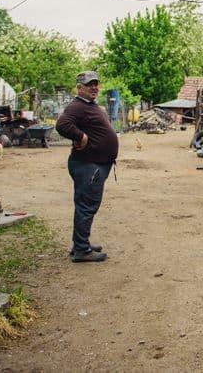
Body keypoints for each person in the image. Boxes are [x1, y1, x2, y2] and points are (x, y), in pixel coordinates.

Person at [56, 71, 119, 263]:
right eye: (89, 84)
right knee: (86, 205)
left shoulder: (89, 105)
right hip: (89, 165)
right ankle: (82, 250)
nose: (94, 87)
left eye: (95, 84)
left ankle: (81, 244)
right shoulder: (77, 106)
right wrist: (81, 137)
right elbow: (62, 125)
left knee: (86, 205)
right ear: (79, 88)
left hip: (95, 164)